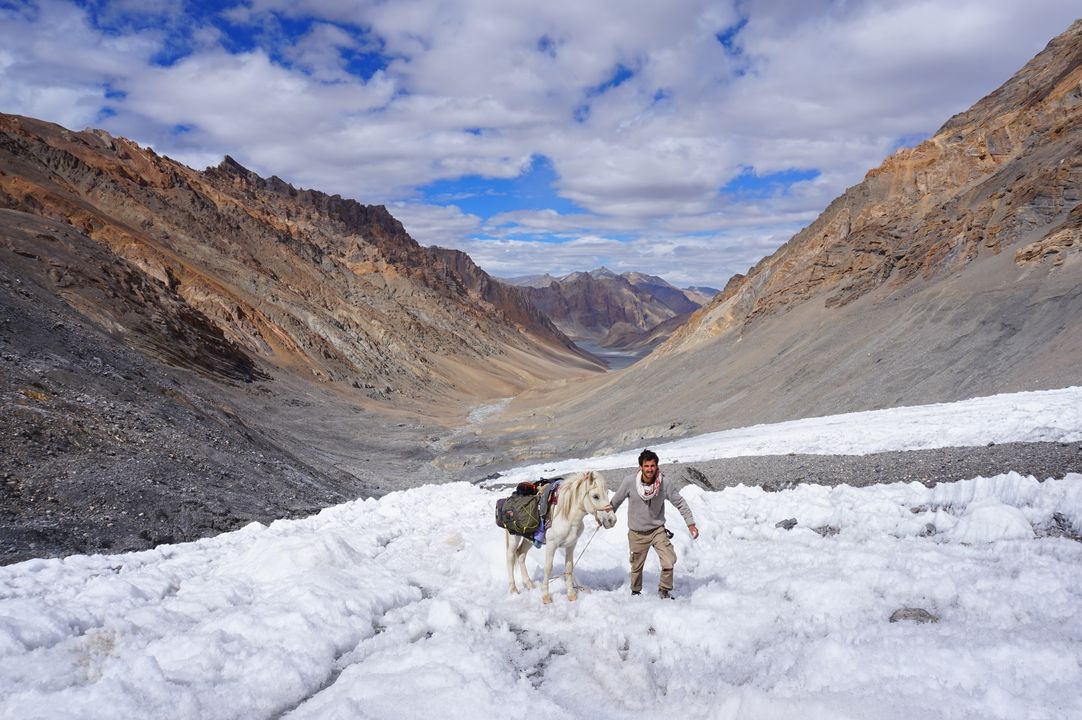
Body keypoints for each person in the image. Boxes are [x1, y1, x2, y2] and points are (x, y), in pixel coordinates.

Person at [610, 449, 699, 599]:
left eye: (652, 466)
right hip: (637, 533)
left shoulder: (664, 483)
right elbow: (615, 502)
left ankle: (664, 591)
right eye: (646, 466)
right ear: (641, 467)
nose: (650, 469)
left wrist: (690, 523)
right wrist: (604, 517)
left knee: (669, 561)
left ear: (656, 466)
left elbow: (680, 503)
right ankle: (636, 592)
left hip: (657, 530)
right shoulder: (629, 482)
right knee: (636, 567)